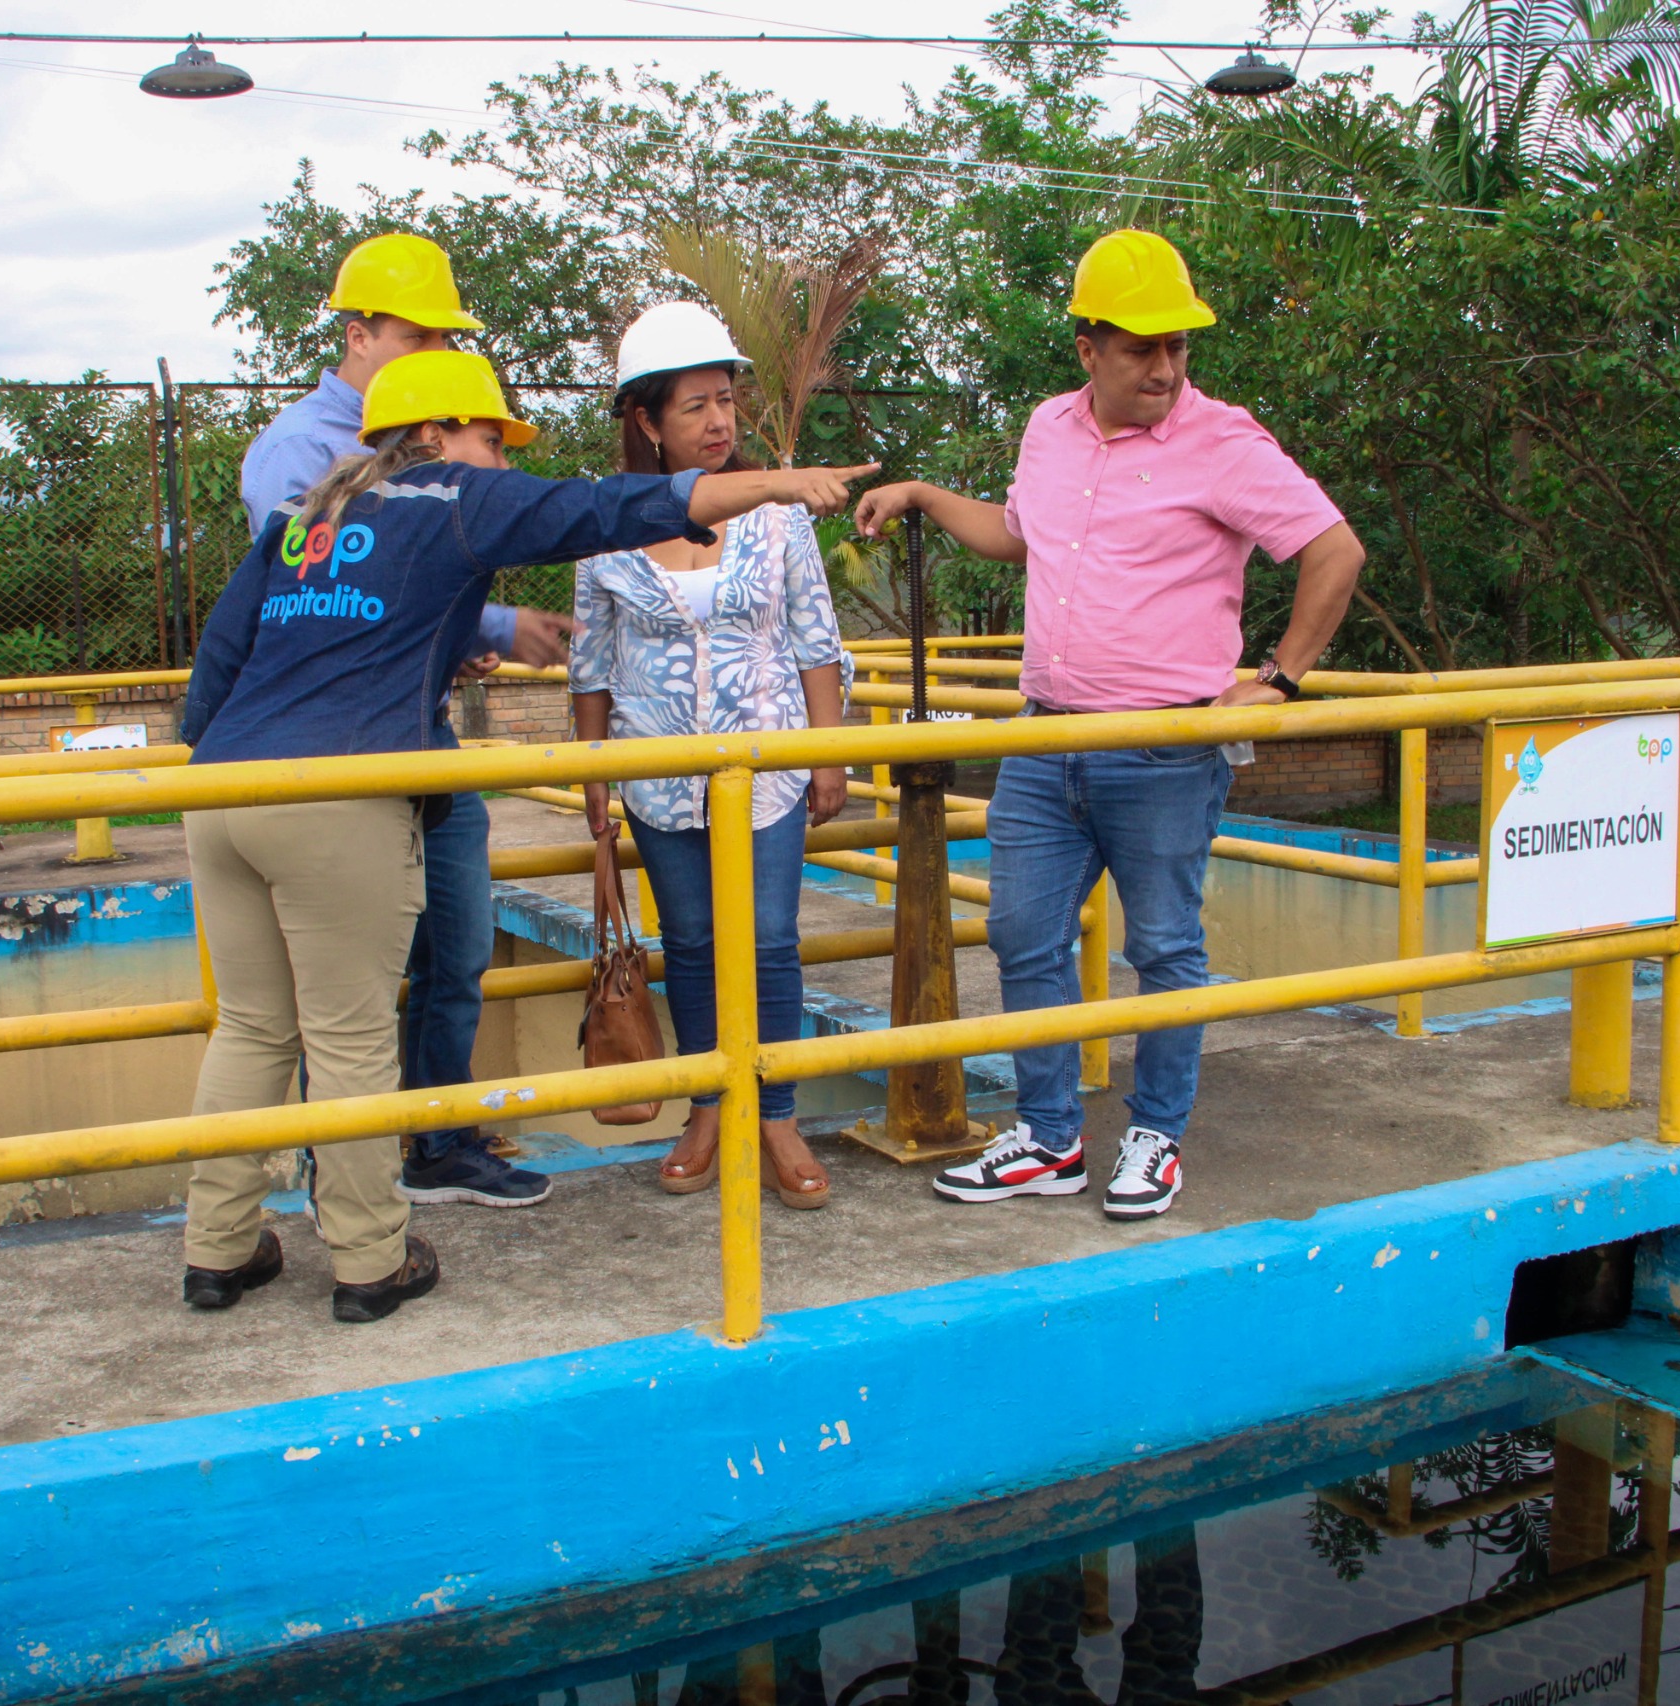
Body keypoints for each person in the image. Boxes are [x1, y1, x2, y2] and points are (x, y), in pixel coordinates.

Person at [177, 347, 875, 1317]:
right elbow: (607, 509)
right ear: (432, 436)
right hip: (335, 798)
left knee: (251, 1027)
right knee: (347, 1041)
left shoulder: (307, 519)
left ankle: (216, 1249)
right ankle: (369, 1261)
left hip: (219, 792)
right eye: (489, 435)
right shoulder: (449, 497)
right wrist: (776, 484)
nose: (501, 458)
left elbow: (220, 664)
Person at [853, 229, 1364, 1222]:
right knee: (1022, 932)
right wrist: (920, 494)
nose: (1165, 367)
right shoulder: (1049, 426)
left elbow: (1333, 549)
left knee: (1165, 947)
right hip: (1048, 740)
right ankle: (1047, 1136)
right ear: (1087, 348)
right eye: (1141, 347)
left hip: (1163, 745)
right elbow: (1017, 533)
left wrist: (1279, 679)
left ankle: (1156, 1135)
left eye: (1177, 345)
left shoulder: (1223, 442)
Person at [239, 230, 574, 1212]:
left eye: (444, 335)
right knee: (344, 982)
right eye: (420, 333)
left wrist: (450, 632)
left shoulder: (429, 430)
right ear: (358, 331)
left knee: (457, 945)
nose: (435, 350)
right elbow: (320, 584)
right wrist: (496, 623)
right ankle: (343, 1167)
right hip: (340, 749)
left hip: (421, 729)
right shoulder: (301, 450)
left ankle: (435, 1141)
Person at [572, 303, 851, 1210]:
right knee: (689, 943)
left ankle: (773, 1112)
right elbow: (591, 666)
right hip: (656, 780)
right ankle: (707, 1105)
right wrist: (595, 780)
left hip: (766, 768)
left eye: (725, 401)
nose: (719, 422)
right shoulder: (607, 524)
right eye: (694, 406)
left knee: (768, 939)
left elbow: (815, 637)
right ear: (647, 422)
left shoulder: (776, 512)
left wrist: (828, 756)